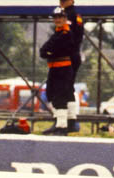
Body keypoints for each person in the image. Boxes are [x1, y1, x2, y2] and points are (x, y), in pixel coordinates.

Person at [39, 7, 76, 135]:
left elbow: (59, 50)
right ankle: (66, 122)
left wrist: (50, 52)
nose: (58, 19)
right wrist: (49, 51)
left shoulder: (66, 34)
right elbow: (44, 50)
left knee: (60, 95)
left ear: (65, 18)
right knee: (51, 94)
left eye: (60, 17)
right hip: (55, 67)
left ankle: (62, 126)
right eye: (56, 17)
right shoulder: (58, 33)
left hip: (63, 68)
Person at [60, 0, 83, 131]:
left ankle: (65, 122)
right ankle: (69, 120)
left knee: (63, 88)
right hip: (72, 55)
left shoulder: (70, 15)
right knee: (67, 87)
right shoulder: (74, 15)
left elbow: (71, 37)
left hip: (68, 56)